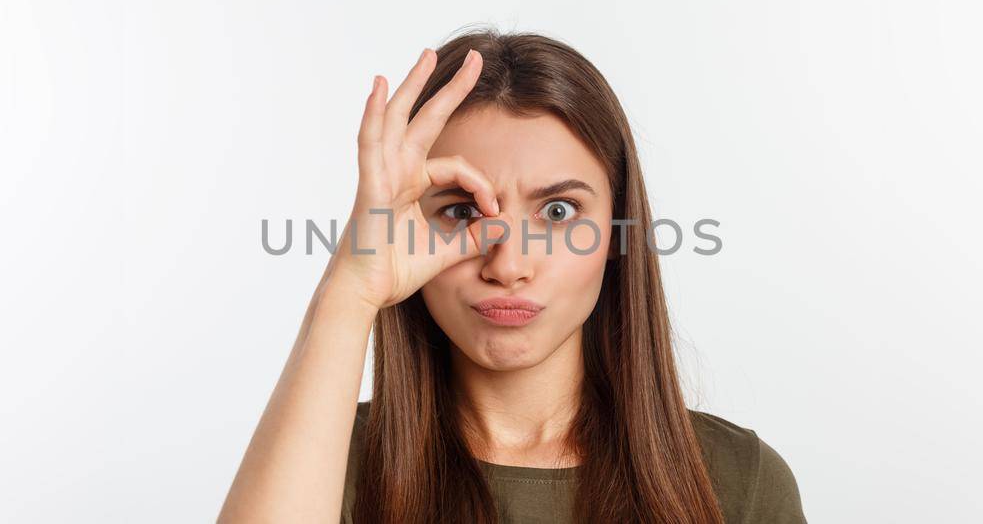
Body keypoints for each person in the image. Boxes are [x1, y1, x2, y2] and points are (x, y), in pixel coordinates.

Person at [218, 29, 807, 523]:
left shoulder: (738, 482)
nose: (507, 266)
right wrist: (350, 290)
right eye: (462, 210)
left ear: (617, 232)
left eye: (557, 213)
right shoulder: (321, 466)